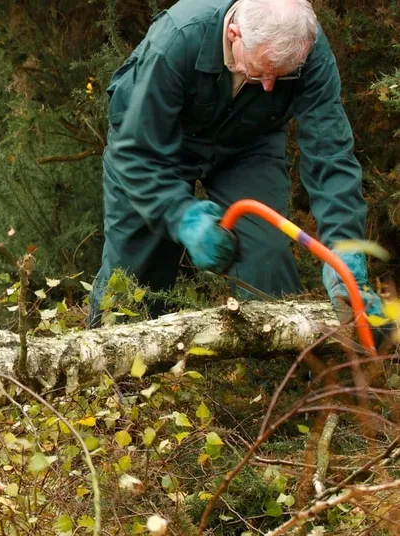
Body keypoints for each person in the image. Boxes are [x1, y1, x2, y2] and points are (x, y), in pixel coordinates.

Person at [88, 0, 383, 326]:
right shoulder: (178, 38)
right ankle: (105, 368)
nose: (269, 85)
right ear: (233, 33)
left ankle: (274, 371)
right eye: (258, 73)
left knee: (265, 257)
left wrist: (344, 248)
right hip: (152, 147)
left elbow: (330, 153)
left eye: (282, 76)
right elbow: (137, 152)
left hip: (247, 144)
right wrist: (181, 216)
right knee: (134, 275)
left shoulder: (306, 42)